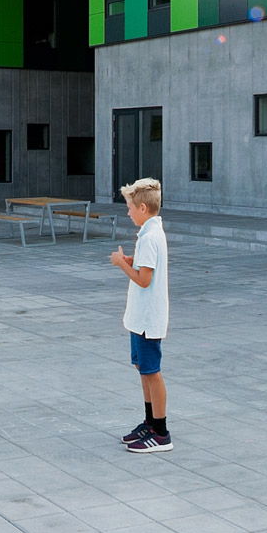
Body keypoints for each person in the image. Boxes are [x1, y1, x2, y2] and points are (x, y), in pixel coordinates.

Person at [110, 177, 171, 453]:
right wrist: (132, 262)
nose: (128, 212)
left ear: (143, 208)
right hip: (141, 318)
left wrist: (121, 264)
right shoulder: (151, 232)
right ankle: (150, 422)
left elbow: (144, 280)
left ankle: (160, 432)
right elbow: (147, 269)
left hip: (147, 319)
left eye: (131, 208)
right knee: (143, 369)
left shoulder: (149, 236)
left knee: (151, 372)